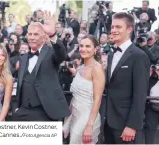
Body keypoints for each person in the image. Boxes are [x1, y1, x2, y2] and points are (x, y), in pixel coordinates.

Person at [11, 11, 70, 121]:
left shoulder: (51, 53)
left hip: (45, 112)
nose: (32, 37)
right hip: (23, 111)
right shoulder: (23, 58)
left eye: (36, 34)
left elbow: (62, 54)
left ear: (44, 37)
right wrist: (16, 108)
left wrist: (52, 35)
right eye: (30, 34)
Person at [104, 12, 150, 144]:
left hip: (127, 127)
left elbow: (140, 94)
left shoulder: (139, 56)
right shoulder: (111, 55)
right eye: (112, 27)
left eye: (118, 27)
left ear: (129, 29)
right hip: (109, 123)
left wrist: (132, 125)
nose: (113, 30)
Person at [63, 35, 105, 144]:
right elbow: (76, 96)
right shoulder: (81, 68)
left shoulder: (97, 69)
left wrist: (89, 126)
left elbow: (98, 100)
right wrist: (68, 117)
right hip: (75, 115)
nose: (83, 49)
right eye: (81, 46)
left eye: (87, 46)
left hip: (87, 118)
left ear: (95, 49)